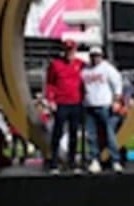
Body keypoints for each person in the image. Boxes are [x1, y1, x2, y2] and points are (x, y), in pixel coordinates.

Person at [82, 46, 123, 174]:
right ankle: (94, 159)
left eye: (97, 55)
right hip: (89, 105)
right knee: (91, 135)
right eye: (93, 56)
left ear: (101, 56)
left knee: (109, 134)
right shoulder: (85, 70)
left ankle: (115, 160)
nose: (95, 58)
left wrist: (116, 101)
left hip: (105, 105)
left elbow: (117, 84)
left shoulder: (107, 68)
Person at [45, 39, 84, 175]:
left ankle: (72, 161)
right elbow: (50, 83)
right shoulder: (55, 64)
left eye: (72, 50)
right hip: (61, 103)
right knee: (58, 132)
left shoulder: (80, 64)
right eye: (67, 50)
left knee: (74, 133)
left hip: (76, 103)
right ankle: (54, 162)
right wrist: (51, 100)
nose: (69, 53)